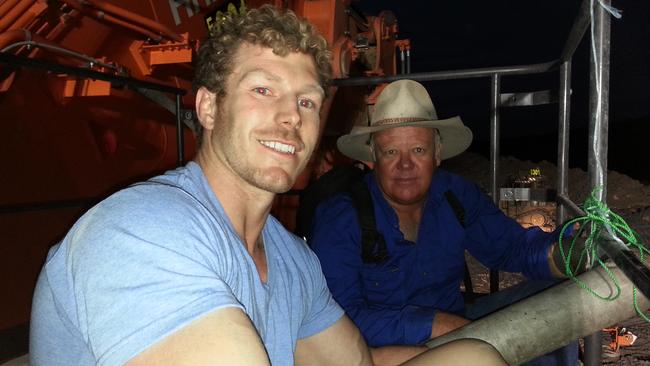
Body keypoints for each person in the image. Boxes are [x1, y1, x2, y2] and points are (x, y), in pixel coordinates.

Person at [29, 6, 508, 366]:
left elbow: (356, 362)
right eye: (263, 89)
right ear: (209, 108)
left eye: (307, 101)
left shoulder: (292, 260)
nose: (290, 116)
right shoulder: (139, 232)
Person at [308, 79, 579, 365]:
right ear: (373, 158)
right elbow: (335, 320)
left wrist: (564, 253)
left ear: (437, 154)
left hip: (457, 324)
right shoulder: (340, 218)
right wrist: (434, 324)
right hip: (379, 351)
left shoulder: (456, 195)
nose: (405, 165)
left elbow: (512, 248)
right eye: (391, 152)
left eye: (418, 150)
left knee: (561, 295)